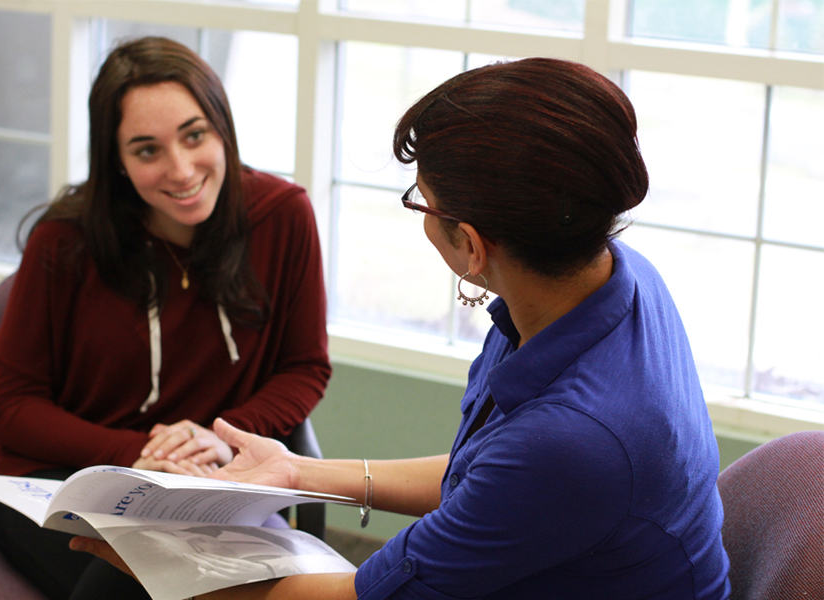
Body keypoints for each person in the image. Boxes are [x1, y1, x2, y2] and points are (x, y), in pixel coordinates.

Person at [72, 57, 732, 599]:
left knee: (117, 588)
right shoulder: (609, 276)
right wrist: (298, 471)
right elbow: (489, 475)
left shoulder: (572, 440)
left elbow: (361, 598)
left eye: (422, 201)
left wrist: (175, 573)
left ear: (471, 247)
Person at [0, 36, 330, 600]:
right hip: (64, 480)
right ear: (117, 161)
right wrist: (138, 455)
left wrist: (219, 436)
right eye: (147, 150)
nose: (181, 169)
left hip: (207, 483)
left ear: (222, 127)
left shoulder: (283, 216)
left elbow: (304, 366)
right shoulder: (63, 241)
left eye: (195, 136)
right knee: (139, 581)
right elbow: (10, 407)